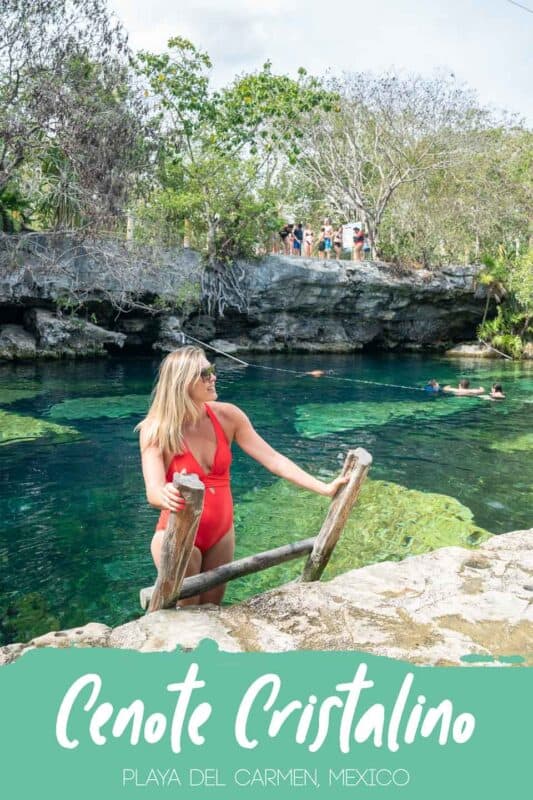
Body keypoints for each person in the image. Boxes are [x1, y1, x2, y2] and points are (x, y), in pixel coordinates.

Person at [137, 347, 347, 606]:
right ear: (181, 381)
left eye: (211, 370)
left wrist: (324, 488)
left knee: (213, 608)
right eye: (205, 374)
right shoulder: (155, 430)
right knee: (188, 612)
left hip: (221, 534)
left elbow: (274, 460)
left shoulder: (228, 416)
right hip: (178, 534)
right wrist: (164, 494)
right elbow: (153, 490)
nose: (213, 377)